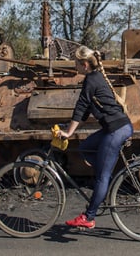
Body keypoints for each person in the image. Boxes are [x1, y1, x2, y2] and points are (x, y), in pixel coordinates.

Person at [57, 45, 133, 229]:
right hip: (117, 127)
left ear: (84, 64)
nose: (74, 66)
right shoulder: (97, 77)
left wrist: (68, 132)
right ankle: (103, 176)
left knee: (101, 177)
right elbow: (83, 113)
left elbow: (80, 108)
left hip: (116, 130)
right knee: (84, 147)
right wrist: (70, 129)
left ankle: (89, 217)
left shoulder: (91, 80)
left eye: (76, 63)